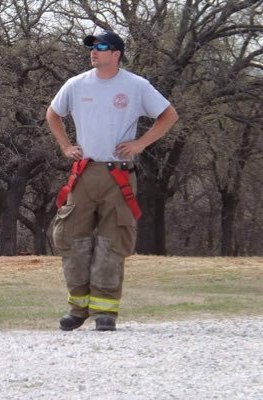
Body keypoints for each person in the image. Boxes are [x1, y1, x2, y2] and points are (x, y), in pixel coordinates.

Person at [46, 30, 179, 331]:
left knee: (112, 241)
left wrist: (141, 143)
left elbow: (169, 115)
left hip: (118, 174)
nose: (94, 51)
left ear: (116, 53)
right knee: (72, 240)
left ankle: (105, 312)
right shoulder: (76, 85)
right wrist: (66, 146)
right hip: (84, 172)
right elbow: (53, 115)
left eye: (101, 47)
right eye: (92, 47)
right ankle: (77, 308)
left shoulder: (136, 85)